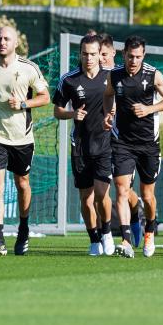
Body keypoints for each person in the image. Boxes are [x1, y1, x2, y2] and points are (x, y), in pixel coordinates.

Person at [0, 26, 50, 256]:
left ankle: (24, 229)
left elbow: (45, 97)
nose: (2, 42)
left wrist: (23, 104)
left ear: (16, 43)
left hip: (22, 138)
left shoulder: (29, 68)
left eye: (7, 39)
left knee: (22, 184)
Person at [103, 36, 163, 258]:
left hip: (148, 143)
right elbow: (108, 95)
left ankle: (150, 230)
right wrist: (108, 112)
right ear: (123, 54)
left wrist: (149, 109)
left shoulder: (153, 75)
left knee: (147, 195)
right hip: (122, 141)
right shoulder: (114, 75)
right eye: (130, 56)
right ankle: (125, 240)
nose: (134, 61)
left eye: (138, 57)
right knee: (122, 189)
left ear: (143, 56)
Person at [53, 33, 114, 256]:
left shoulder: (111, 77)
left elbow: (123, 102)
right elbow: (57, 111)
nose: (89, 58)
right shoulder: (69, 80)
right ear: (80, 54)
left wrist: (114, 112)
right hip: (80, 145)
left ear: (101, 55)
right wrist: (72, 113)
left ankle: (107, 232)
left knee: (101, 194)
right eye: (85, 54)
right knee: (86, 198)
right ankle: (94, 239)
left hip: (106, 144)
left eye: (93, 54)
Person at [99, 33, 145, 246]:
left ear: (114, 53)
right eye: (95, 53)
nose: (99, 58)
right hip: (96, 140)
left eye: (103, 54)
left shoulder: (123, 74)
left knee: (123, 188)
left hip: (123, 140)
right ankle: (104, 237)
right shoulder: (85, 74)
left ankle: (135, 213)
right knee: (97, 191)